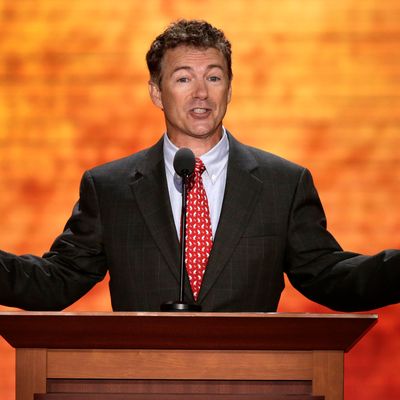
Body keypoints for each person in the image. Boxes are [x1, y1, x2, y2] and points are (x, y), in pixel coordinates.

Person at [0, 19, 399, 312]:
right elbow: (56, 281)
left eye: (214, 76)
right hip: (141, 382)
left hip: (254, 383)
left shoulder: (284, 184)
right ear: (156, 92)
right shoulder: (111, 189)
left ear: (230, 87)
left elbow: (330, 276)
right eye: (183, 79)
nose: (201, 93)